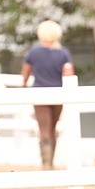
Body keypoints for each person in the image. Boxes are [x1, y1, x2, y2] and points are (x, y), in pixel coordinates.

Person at [20, 20, 75, 169]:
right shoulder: (63, 53)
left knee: (44, 128)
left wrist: (23, 85)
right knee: (53, 127)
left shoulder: (34, 52)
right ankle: (51, 161)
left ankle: (46, 162)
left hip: (39, 93)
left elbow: (26, 71)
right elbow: (69, 73)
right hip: (58, 93)